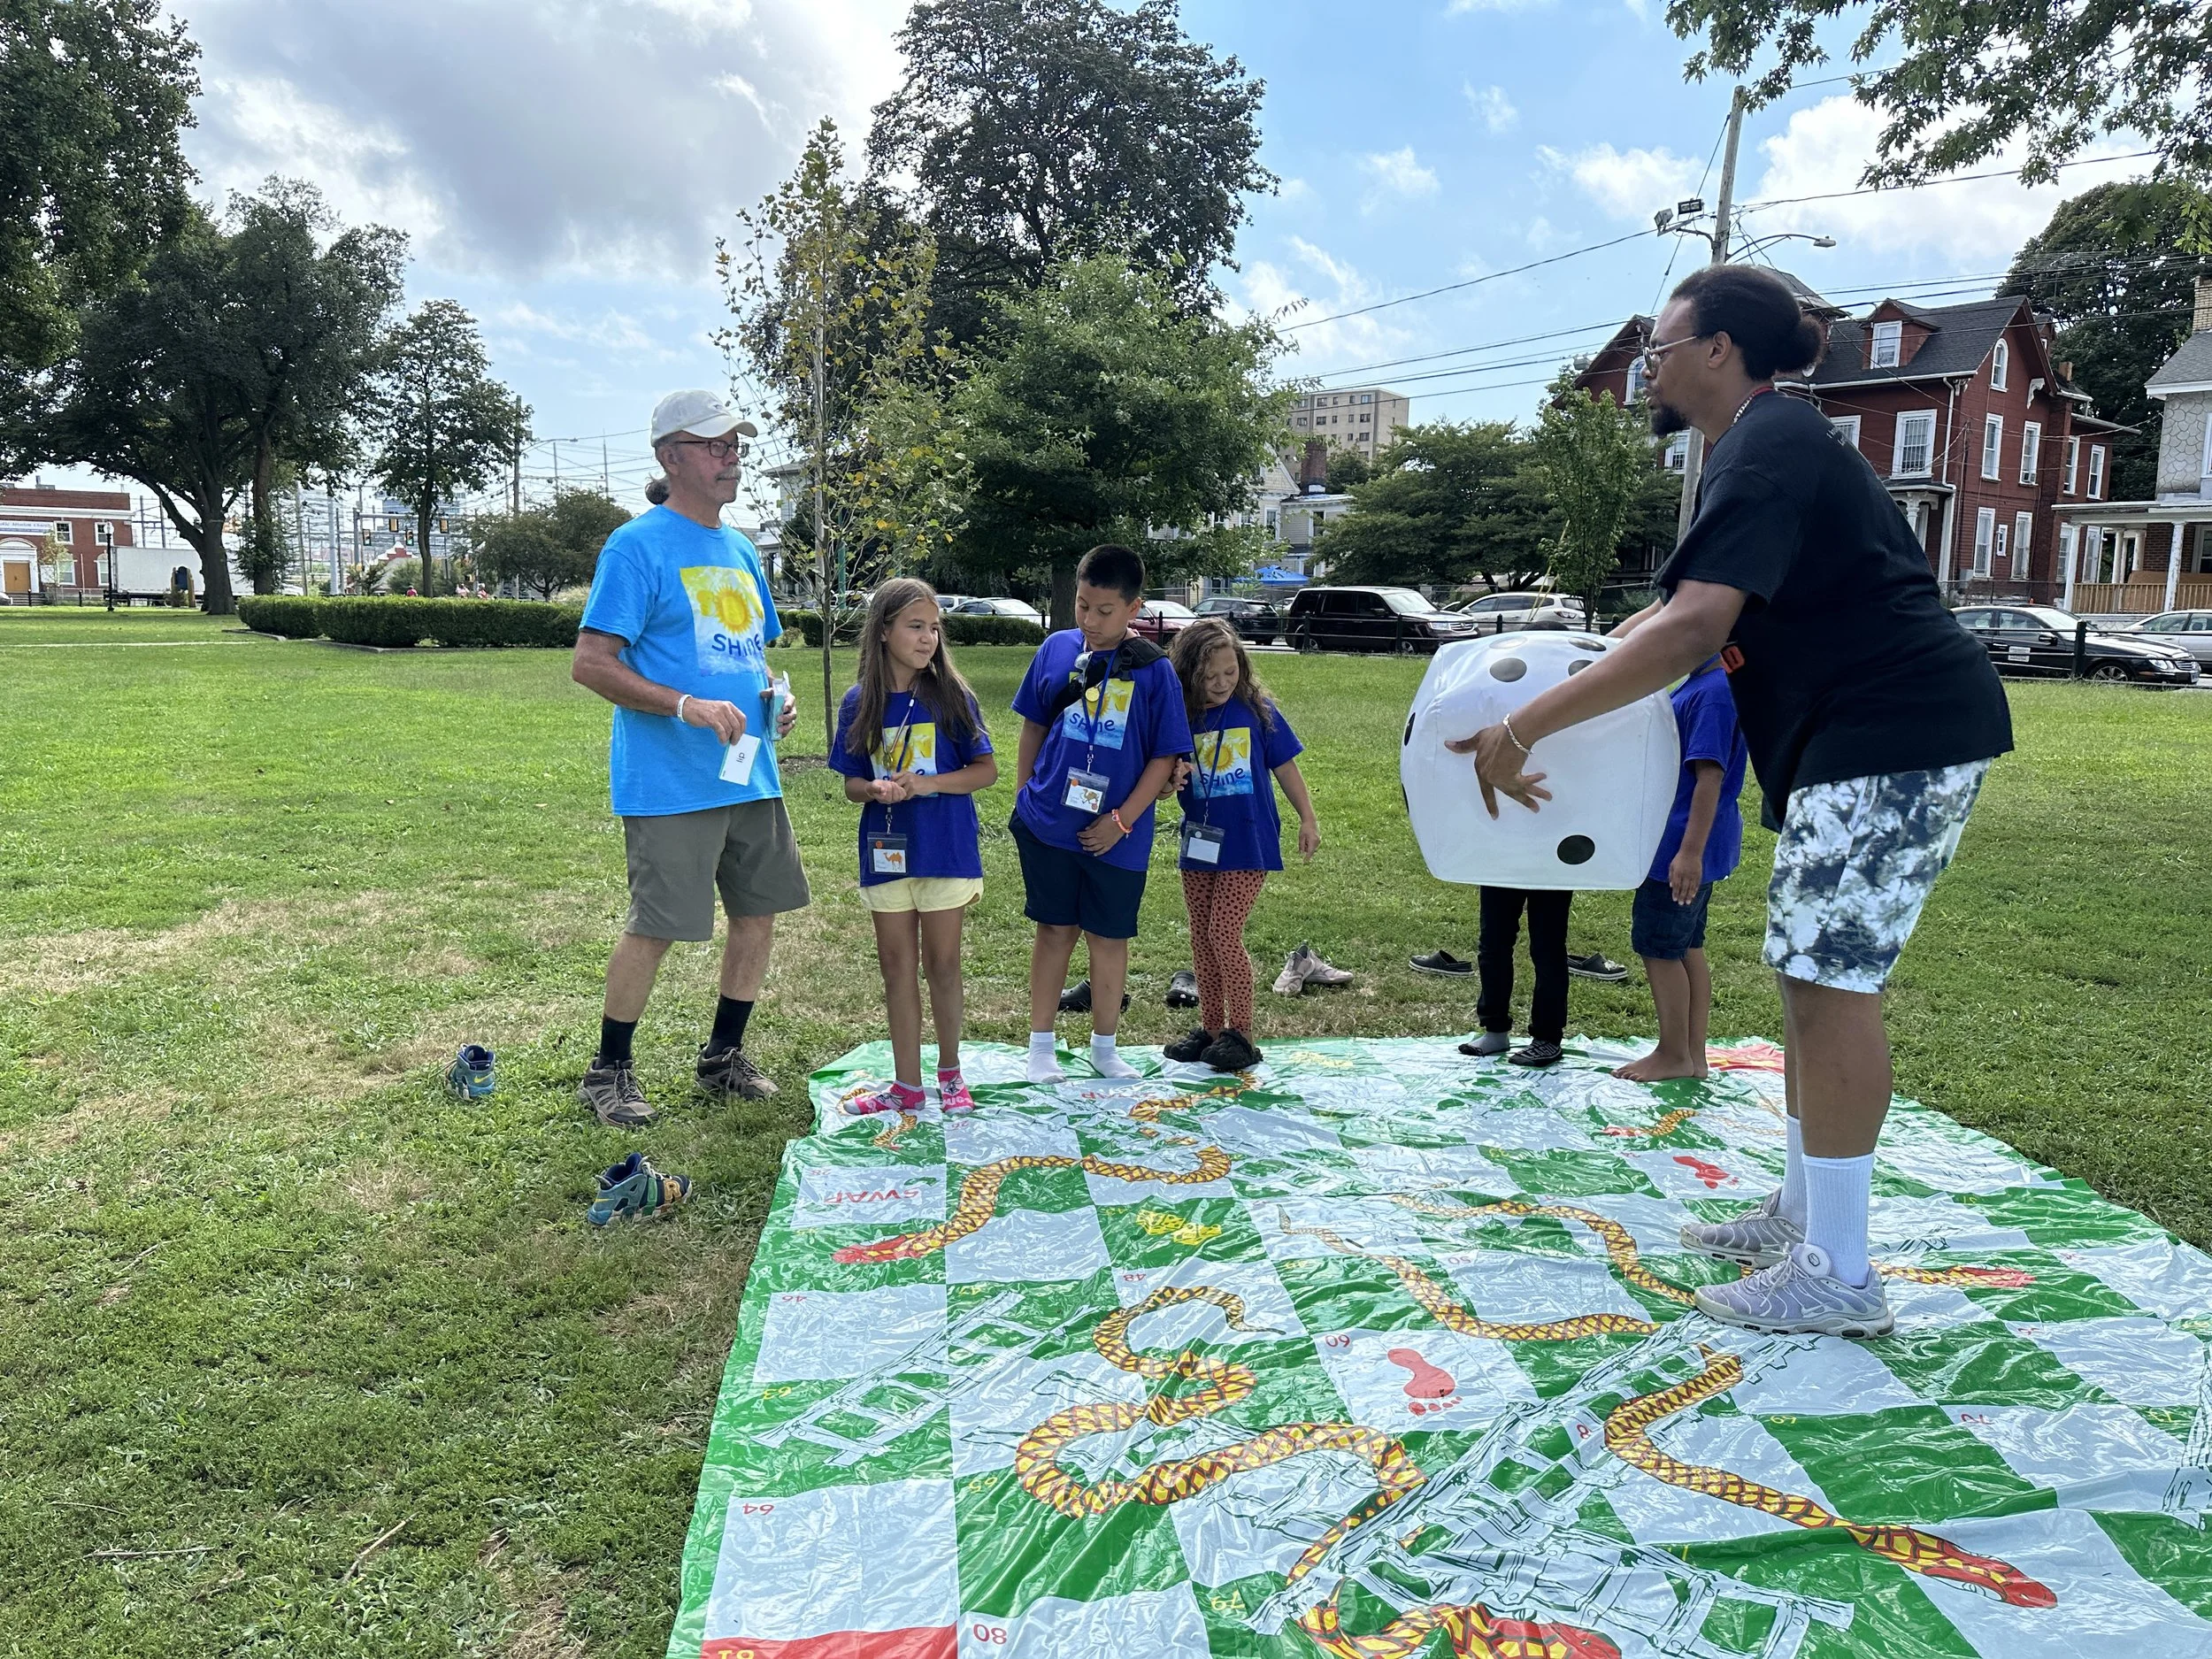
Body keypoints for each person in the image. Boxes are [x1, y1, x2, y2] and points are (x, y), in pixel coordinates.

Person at [1451, 265, 2011, 1339]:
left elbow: (1692, 629)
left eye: (1659, 346)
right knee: (1807, 977)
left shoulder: (1767, 442)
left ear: (1716, 350)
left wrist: (1525, 729)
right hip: (1860, 741)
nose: (1646, 368)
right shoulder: (1754, 447)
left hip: (1894, 735)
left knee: (1830, 982)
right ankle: (1805, 1214)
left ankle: (1839, 1274)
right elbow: (1659, 619)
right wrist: (1540, 687)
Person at [569, 389, 807, 1127]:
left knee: (759, 915)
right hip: (671, 781)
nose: (731, 456)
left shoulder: (739, 549)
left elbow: (752, 652)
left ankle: (723, 1056)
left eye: (735, 444)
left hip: (749, 769)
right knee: (660, 923)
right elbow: (592, 662)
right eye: (715, 445)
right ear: (671, 457)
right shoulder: (635, 546)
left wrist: (776, 693)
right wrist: (685, 706)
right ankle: (607, 1071)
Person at [1010, 544, 1193, 1084]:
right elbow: (1033, 726)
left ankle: (1104, 1046)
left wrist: (1121, 822)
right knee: (1054, 930)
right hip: (1050, 825)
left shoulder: (1155, 672)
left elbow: (1165, 756)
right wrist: (1026, 795)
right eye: (1082, 605)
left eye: (1104, 610)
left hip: (1120, 834)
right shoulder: (1055, 649)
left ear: (1134, 608)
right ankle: (1040, 1046)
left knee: (1110, 938)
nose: (1089, 620)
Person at [828, 579, 999, 1116]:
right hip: (886, 853)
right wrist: (874, 789)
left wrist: (929, 783)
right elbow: (852, 783)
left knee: (943, 965)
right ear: (883, 632)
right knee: (896, 966)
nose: (928, 639)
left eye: (934, 628)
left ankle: (950, 1076)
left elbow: (986, 771)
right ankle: (906, 1085)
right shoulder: (859, 701)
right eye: (915, 627)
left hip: (944, 850)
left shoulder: (952, 696)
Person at [1162, 618, 1319, 1072]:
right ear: (1189, 675)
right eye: (1210, 676)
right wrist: (1170, 784)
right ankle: (1212, 1030)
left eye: (1230, 672)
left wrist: (1307, 818)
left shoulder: (1256, 710)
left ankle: (1243, 1035)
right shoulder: (1180, 717)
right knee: (1201, 937)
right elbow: (1164, 782)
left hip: (1249, 844)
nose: (1221, 683)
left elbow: (1286, 766)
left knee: (1223, 933)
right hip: (1200, 844)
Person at [1613, 654, 1749, 1083]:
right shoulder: (1707, 684)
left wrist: (1688, 853)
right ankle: (1692, 1055)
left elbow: (1709, 777)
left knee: (1659, 947)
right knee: (1688, 945)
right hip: (1693, 844)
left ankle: (1673, 1054)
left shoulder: (1713, 694)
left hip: (1680, 846)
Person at [1456, 887, 1574, 1068]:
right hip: (1502, 865)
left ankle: (1548, 1037)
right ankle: (1495, 1032)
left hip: (1551, 868)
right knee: (1492, 945)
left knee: (1548, 948)